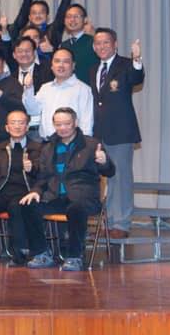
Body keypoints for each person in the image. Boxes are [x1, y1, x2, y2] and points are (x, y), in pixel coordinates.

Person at [21, 108, 115, 271]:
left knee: (76, 208)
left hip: (84, 198)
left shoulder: (91, 144)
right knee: (27, 205)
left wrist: (104, 162)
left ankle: (74, 257)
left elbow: (110, 172)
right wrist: (35, 191)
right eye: (58, 124)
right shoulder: (48, 147)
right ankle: (41, 253)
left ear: (75, 123)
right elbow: (43, 177)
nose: (62, 128)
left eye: (66, 124)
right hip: (55, 197)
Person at [89, 30, 144, 239]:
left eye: (106, 42)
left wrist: (137, 59)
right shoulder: (93, 68)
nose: (101, 46)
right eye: (98, 43)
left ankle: (121, 223)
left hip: (121, 131)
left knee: (120, 178)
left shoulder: (125, 64)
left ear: (115, 44)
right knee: (106, 179)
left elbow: (136, 77)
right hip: (98, 132)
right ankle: (110, 221)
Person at [0, 110, 44, 265]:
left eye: (21, 123)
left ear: (27, 127)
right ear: (7, 127)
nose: (17, 126)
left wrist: (32, 168)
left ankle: (19, 253)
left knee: (16, 207)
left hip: (25, 193)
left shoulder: (38, 148)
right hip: (2, 192)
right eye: (13, 123)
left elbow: (44, 174)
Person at [22, 48, 94, 139]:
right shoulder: (45, 88)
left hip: (71, 143)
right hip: (46, 142)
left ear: (73, 65)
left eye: (66, 62)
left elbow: (86, 122)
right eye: (57, 61)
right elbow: (32, 110)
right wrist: (28, 89)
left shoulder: (83, 89)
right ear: (52, 65)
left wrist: (85, 143)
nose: (61, 65)